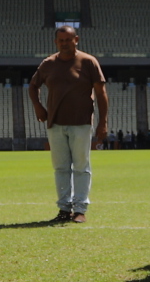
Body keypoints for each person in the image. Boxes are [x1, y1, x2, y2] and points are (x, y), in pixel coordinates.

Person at [29, 22, 108, 223]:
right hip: (55, 123)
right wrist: (38, 106)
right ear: (56, 42)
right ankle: (64, 209)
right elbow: (33, 85)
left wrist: (102, 122)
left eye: (68, 40)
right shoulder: (48, 64)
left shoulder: (88, 62)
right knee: (61, 167)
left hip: (81, 122)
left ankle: (80, 209)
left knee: (81, 166)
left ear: (76, 40)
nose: (64, 44)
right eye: (61, 40)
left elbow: (101, 93)